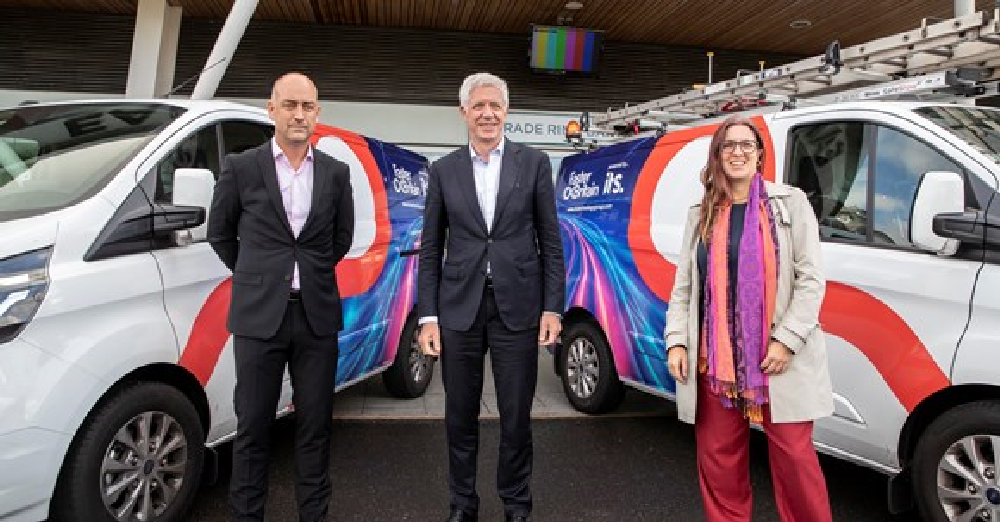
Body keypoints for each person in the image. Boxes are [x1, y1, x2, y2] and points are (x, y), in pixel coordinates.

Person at [664, 116, 834, 522]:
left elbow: (811, 281)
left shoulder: (790, 203)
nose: (737, 152)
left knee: (795, 459)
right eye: (728, 146)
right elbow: (684, 287)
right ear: (718, 156)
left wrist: (786, 339)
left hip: (777, 358)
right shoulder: (700, 213)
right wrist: (677, 341)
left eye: (746, 145)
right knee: (719, 463)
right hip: (716, 361)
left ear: (760, 154)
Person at [417, 72, 565, 522]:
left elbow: (550, 241)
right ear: (464, 112)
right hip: (458, 309)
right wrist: (428, 316)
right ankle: (463, 505)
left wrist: (552, 306)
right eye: (478, 106)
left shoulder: (534, 163)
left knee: (516, 417)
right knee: (459, 418)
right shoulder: (443, 171)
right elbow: (430, 248)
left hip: (517, 308)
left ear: (507, 112)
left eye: (495, 106)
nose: (487, 113)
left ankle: (516, 505)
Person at [207, 72, 355, 522]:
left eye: (307, 106)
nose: (298, 114)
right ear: (271, 109)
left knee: (314, 428)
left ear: (318, 114)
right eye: (289, 105)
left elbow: (340, 239)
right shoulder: (241, 167)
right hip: (258, 320)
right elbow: (221, 235)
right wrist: (259, 276)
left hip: (316, 320)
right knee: (252, 428)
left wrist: (304, 273)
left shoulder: (335, 173)